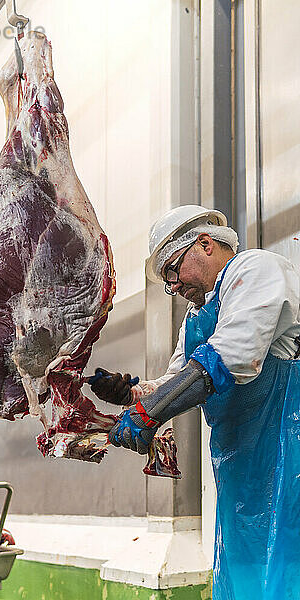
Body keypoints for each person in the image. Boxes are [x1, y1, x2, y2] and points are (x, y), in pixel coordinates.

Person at [90, 205, 300, 600]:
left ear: (204, 244)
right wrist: (131, 395)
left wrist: (147, 414)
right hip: (240, 469)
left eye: (173, 271)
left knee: (288, 569)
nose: (173, 287)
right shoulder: (196, 319)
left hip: (288, 456)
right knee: (244, 578)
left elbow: (229, 358)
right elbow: (175, 382)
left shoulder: (253, 269)